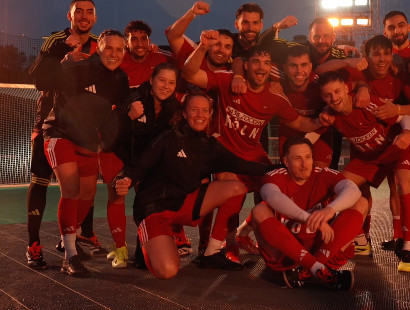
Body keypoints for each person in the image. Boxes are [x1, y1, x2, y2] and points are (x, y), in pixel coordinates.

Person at [182, 38, 324, 260]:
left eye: (266, 63)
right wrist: (202, 47)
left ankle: (248, 235)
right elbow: (190, 74)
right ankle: (222, 247)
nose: (261, 67)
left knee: (276, 190)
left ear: (271, 68)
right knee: (233, 192)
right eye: (256, 61)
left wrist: (322, 120)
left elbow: (300, 124)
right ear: (246, 65)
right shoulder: (228, 80)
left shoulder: (275, 97)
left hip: (252, 156)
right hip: (223, 154)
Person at [114, 92, 275, 278]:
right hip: (155, 210)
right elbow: (139, 165)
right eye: (194, 109)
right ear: (183, 113)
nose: (200, 115)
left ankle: (211, 253)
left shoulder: (209, 146)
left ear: (211, 114)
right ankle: (147, 243)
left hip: (185, 205)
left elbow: (242, 165)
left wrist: (281, 167)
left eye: (205, 110)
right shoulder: (167, 139)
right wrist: (125, 180)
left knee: (236, 188)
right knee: (167, 271)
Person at [39, 29, 129, 276]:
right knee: (71, 190)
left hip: (89, 141)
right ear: (98, 48)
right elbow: (39, 80)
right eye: (109, 48)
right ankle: (70, 255)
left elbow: (120, 112)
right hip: (60, 134)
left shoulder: (120, 79)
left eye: (119, 49)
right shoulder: (77, 67)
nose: (114, 53)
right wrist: (57, 53)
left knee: (87, 196)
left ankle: (66, 237)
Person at [318, 70, 410, 272]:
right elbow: (312, 131)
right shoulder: (330, 114)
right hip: (370, 157)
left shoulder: (366, 103)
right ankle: (360, 240)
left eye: (337, 91)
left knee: (403, 185)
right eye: (328, 95)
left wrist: (407, 133)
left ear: (346, 89)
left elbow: (404, 115)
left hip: (397, 147)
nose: (334, 98)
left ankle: (409, 249)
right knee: (341, 186)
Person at [26, 0, 100, 269]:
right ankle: (33, 244)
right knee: (40, 181)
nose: (84, 16)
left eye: (89, 12)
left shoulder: (98, 46)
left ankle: (73, 235)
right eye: (78, 11)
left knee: (83, 188)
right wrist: (61, 56)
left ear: (95, 17)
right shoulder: (56, 40)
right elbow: (37, 79)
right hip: (49, 122)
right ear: (69, 16)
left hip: (81, 127)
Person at [252, 136, 367, 290]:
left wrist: (330, 209)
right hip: (289, 254)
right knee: (258, 210)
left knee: (361, 202)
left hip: (325, 248)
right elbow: (272, 196)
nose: (305, 164)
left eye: (308, 157)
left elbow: (352, 190)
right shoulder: (275, 176)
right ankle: (321, 271)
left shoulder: (324, 174)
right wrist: (309, 218)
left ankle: (311, 269)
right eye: (298, 158)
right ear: (286, 162)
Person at [102, 63, 181, 269]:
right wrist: (128, 117)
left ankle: (146, 245)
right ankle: (120, 249)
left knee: (152, 195)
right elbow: (110, 136)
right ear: (151, 80)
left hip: (141, 158)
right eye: (162, 80)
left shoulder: (173, 107)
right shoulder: (135, 97)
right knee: (117, 195)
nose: (166, 86)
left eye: (171, 82)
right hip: (116, 151)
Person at [279, 44, 333, 168]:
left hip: (318, 133)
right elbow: (243, 63)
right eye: (293, 65)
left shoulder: (320, 83)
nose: (299, 71)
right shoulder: (276, 77)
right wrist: (238, 77)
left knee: (319, 175)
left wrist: (362, 87)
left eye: (303, 65)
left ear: (310, 67)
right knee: (292, 175)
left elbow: (344, 90)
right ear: (285, 68)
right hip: (289, 135)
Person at [120, 20, 173, 87]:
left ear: (149, 41)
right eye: (134, 39)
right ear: (127, 43)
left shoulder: (161, 58)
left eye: (144, 39)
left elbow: (183, 61)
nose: (140, 44)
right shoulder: (119, 61)